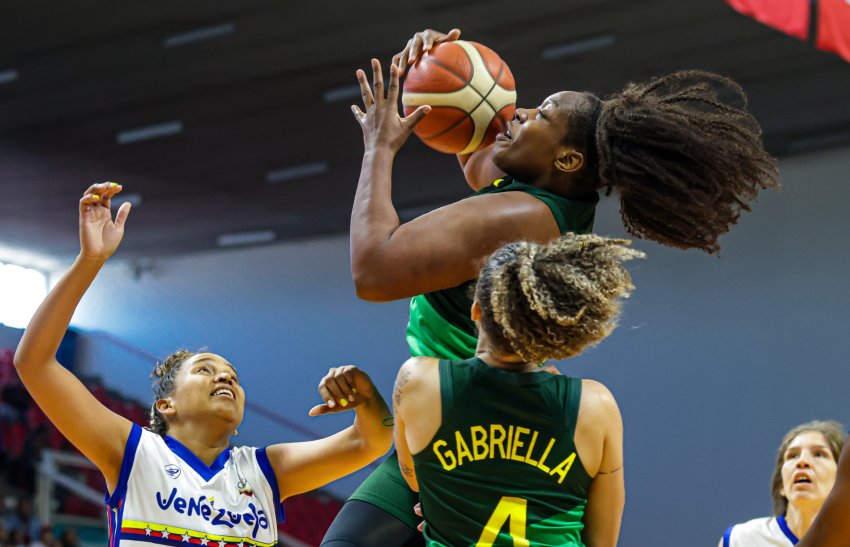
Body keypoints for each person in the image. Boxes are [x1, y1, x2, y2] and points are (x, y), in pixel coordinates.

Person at [325, 27, 781, 546]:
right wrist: (450, 66)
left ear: (566, 159)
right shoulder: (547, 194)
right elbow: (478, 150)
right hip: (467, 410)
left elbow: (372, 271)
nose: (517, 115)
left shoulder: (520, 216)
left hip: (461, 414)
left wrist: (379, 146)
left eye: (539, 114)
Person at [13, 183, 393, 546]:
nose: (226, 376)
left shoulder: (264, 470)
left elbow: (370, 440)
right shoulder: (135, 452)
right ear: (166, 405)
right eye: (205, 370)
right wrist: (89, 261)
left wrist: (366, 397)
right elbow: (34, 363)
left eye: (233, 375)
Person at [393, 233, 637, 546]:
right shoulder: (594, 405)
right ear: (554, 325)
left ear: (477, 311)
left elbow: (414, 479)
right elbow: (602, 541)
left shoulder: (417, 381)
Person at [720, 420, 846, 546]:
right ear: (782, 486)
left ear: (841, 480)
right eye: (793, 455)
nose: (802, 461)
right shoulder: (740, 539)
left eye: (819, 454)